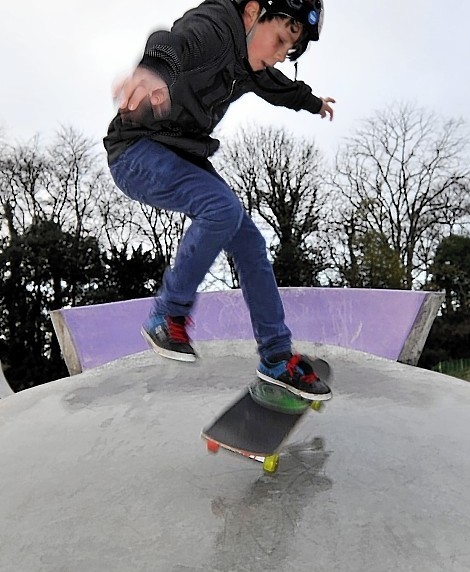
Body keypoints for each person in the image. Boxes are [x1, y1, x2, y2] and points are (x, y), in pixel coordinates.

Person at [105, 0, 333, 401]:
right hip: (137, 151)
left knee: (249, 243)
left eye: (288, 51)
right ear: (252, 12)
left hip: (182, 155)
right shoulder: (216, 27)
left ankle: (277, 357)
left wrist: (313, 102)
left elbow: (279, 88)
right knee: (221, 208)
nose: (279, 55)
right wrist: (154, 70)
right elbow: (174, 42)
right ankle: (168, 314)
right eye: (279, 40)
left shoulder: (251, 66)